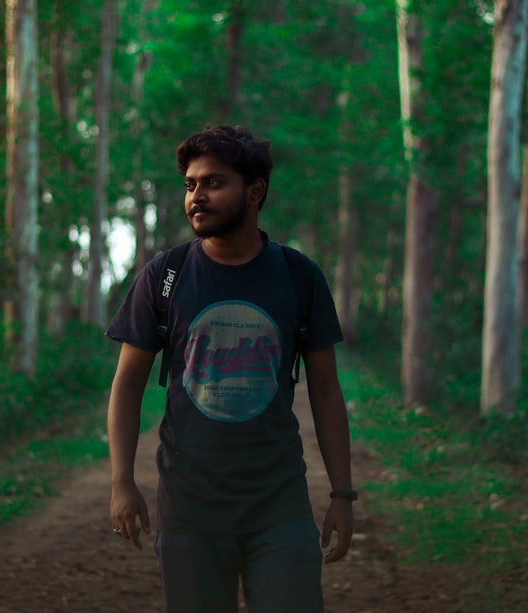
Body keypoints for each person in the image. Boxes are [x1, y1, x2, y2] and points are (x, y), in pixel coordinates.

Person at [105, 124, 355, 612]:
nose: (197, 196)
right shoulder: (165, 277)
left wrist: (342, 494)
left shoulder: (298, 276)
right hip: (189, 511)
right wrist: (122, 482)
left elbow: (326, 392)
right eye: (191, 185)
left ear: (255, 192)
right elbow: (127, 384)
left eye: (214, 182)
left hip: (278, 507)